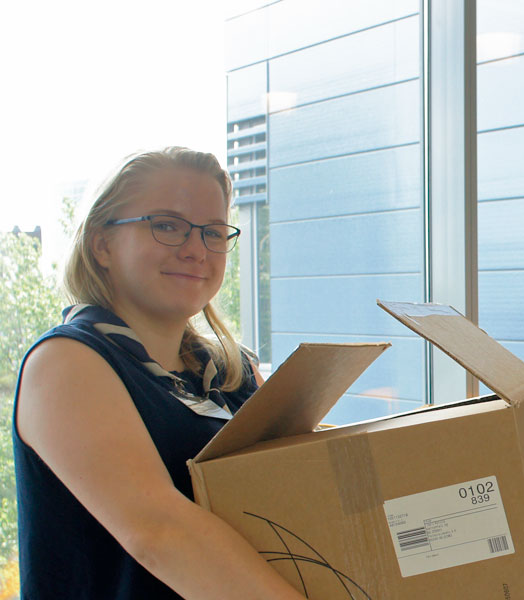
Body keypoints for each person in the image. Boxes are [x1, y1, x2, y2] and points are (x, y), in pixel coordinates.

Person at [13, 148, 306, 599]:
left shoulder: (235, 372)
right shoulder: (66, 363)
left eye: (213, 232)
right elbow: (161, 533)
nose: (196, 250)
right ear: (102, 244)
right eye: (167, 226)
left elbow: (304, 494)